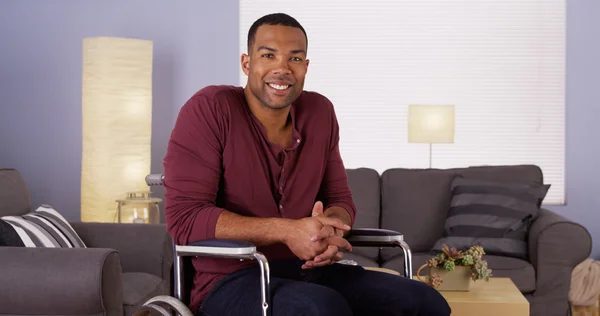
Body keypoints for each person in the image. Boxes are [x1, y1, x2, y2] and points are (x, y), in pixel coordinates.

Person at [163, 12, 451, 316]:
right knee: (321, 309)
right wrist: (287, 231)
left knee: (425, 303)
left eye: (295, 58)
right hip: (231, 279)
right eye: (268, 55)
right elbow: (185, 219)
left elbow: (340, 201)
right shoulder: (210, 109)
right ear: (247, 63)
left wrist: (329, 228)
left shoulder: (320, 112)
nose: (282, 68)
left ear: (305, 67)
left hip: (309, 271)